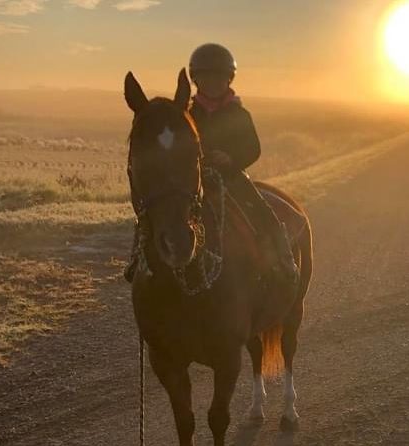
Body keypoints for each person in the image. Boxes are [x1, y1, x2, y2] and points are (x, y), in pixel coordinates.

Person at [125, 42, 298, 284]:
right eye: (206, 79)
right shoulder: (187, 114)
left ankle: (283, 255)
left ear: (228, 80)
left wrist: (231, 159)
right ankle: (137, 257)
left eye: (219, 79)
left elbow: (254, 149)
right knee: (157, 211)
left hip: (231, 176)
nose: (213, 84)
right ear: (196, 81)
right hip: (194, 176)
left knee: (259, 207)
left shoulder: (239, 114)